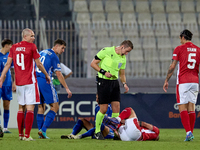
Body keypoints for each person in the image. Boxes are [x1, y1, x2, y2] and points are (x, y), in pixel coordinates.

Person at [0, 28, 51, 141]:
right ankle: (27, 136)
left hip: (19, 83)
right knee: (30, 108)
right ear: (25, 36)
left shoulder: (14, 47)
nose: (33, 38)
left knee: (20, 108)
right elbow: (39, 64)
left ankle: (20, 135)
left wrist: (1, 77)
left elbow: (8, 64)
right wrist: (47, 75)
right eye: (32, 36)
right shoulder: (32, 47)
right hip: (30, 82)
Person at [90, 40, 133, 139]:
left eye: (128, 52)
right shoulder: (106, 51)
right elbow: (93, 64)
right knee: (104, 109)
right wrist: (104, 72)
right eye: (126, 51)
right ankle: (97, 132)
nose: (126, 54)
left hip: (114, 82)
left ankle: (114, 132)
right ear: (122, 46)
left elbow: (122, 74)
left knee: (116, 107)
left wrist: (124, 84)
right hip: (103, 81)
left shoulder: (123, 59)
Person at [163, 29, 200, 141]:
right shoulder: (198, 50)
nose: (180, 40)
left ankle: (188, 133)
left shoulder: (179, 49)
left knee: (182, 107)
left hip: (183, 81)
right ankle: (191, 133)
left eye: (180, 38)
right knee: (191, 108)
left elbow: (172, 66)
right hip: (195, 81)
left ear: (183, 37)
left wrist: (166, 80)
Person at [36, 39, 72, 139]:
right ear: (56, 46)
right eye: (62, 48)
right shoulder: (54, 56)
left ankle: (40, 132)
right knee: (55, 107)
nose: (63, 50)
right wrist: (67, 88)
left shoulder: (42, 52)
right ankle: (43, 130)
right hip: (45, 80)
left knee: (41, 107)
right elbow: (59, 74)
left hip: (35, 80)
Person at [0, 39, 16, 133]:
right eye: (11, 46)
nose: (11, 48)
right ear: (6, 45)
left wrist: (14, 82)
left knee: (7, 105)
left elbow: (13, 70)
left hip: (8, 84)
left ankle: (5, 127)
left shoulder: (10, 56)